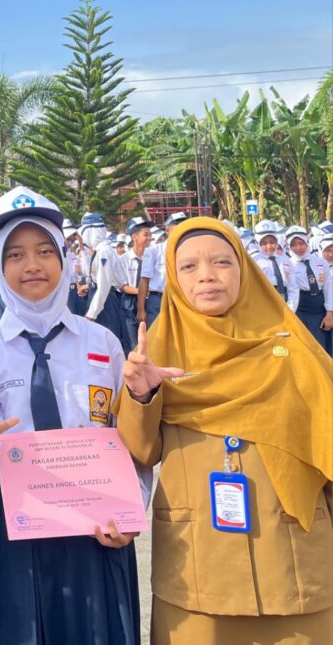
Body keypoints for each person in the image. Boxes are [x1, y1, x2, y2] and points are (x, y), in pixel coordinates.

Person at [116, 217, 333, 644]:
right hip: (198, 566)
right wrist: (142, 395)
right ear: (173, 278)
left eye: (221, 262)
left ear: (244, 270)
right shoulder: (155, 352)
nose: (207, 276)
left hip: (293, 563)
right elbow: (140, 453)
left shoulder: (294, 350)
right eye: (189, 267)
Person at [0, 186, 148, 645]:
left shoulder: (102, 343)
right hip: (20, 521)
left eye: (45, 251)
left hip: (99, 525)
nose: (32, 265)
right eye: (16, 255)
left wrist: (133, 511)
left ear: (65, 258)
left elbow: (130, 441)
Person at [82, 212, 128, 350]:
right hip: (99, 298)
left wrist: (92, 314)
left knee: (106, 344)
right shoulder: (99, 250)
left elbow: (104, 286)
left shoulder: (104, 252)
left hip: (105, 301)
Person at [138, 211, 189, 328]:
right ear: (167, 230)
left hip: (181, 298)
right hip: (158, 300)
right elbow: (144, 280)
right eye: (177, 226)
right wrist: (141, 309)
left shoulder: (189, 251)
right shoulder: (154, 251)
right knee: (156, 334)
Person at [285, 225, 331, 352]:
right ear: (288, 246)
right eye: (293, 245)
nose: (298, 248)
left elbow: (328, 288)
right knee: (304, 347)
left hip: (320, 310)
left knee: (321, 346)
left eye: (301, 243)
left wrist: (329, 314)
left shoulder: (321, 262)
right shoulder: (287, 265)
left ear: (307, 242)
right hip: (301, 310)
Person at [121, 216, 153, 355]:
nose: (149, 238)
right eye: (146, 234)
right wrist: (142, 292)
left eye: (150, 234)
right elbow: (122, 286)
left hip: (150, 302)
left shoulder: (152, 256)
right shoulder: (124, 259)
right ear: (134, 237)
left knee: (151, 340)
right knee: (133, 343)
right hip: (130, 303)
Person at [252, 219, 300, 312]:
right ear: (258, 244)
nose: (269, 246)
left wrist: (291, 307)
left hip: (285, 303)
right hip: (264, 305)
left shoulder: (285, 260)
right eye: (264, 243)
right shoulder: (254, 261)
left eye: (272, 242)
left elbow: (293, 286)